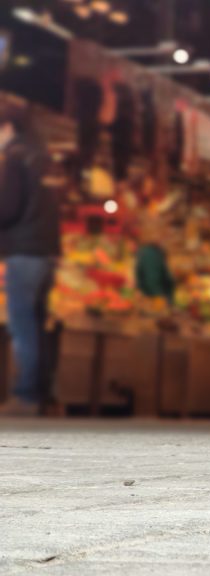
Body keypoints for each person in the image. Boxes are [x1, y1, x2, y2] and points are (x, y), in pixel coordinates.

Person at [0, 107, 59, 417]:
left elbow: (7, 208)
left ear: (7, 127)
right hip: (47, 253)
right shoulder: (44, 158)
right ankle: (43, 394)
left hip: (24, 253)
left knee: (23, 327)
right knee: (36, 326)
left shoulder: (15, 158)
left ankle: (25, 396)